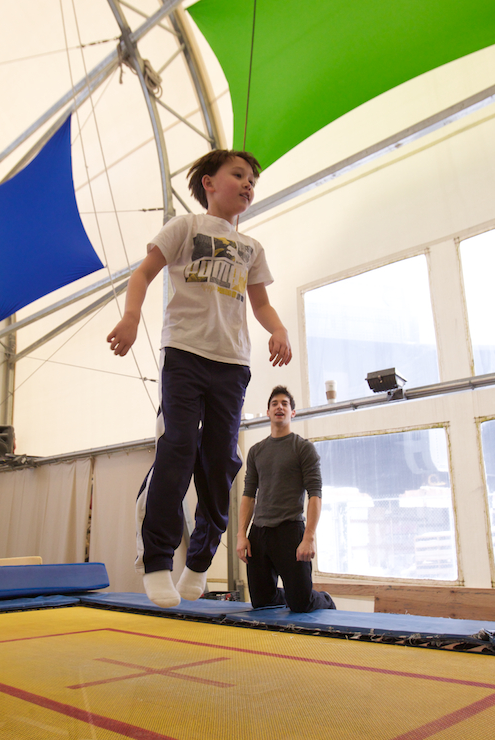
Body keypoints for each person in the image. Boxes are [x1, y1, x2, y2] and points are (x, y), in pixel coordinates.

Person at [107, 150, 292, 608]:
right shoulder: (185, 227)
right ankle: (156, 561)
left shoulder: (251, 247)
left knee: (220, 462)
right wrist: (131, 317)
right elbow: (143, 274)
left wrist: (279, 330)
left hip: (232, 362)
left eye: (253, 180)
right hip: (185, 354)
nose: (248, 184)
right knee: (176, 449)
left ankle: (199, 561)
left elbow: (260, 303)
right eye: (238, 175)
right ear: (208, 183)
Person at [237, 386, 336, 612]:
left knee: (301, 604)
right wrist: (241, 535)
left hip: (290, 531)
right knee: (261, 602)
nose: (279, 407)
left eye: (285, 404)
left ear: (292, 412)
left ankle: (325, 600)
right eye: (274, 404)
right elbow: (249, 495)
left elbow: (315, 494)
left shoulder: (303, 448)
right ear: (268, 412)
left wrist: (309, 537)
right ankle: (289, 595)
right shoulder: (256, 451)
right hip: (259, 533)